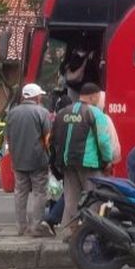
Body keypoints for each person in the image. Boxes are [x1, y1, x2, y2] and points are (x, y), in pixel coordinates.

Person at [50, 83, 114, 238]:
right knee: (93, 198)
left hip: (67, 162)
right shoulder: (95, 113)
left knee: (71, 199)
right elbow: (104, 141)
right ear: (93, 96)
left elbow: (53, 139)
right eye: (98, 97)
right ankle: (89, 233)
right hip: (89, 163)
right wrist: (108, 160)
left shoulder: (63, 113)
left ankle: (68, 234)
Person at [5, 83, 54, 237]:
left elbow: (7, 137)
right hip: (38, 160)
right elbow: (48, 137)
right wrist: (50, 155)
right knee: (39, 193)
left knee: (20, 192)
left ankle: (21, 226)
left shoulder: (12, 113)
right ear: (36, 97)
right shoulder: (42, 112)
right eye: (40, 95)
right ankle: (36, 227)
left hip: (18, 159)